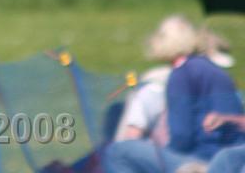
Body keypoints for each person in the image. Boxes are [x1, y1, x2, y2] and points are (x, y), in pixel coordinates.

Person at [104, 15, 244, 173]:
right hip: (232, 159)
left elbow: (181, 136)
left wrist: (164, 153)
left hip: (202, 160)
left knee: (118, 152)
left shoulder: (182, 74)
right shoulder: (212, 69)